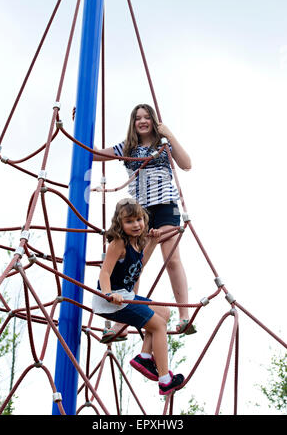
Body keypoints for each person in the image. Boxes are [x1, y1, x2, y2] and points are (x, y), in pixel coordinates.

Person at [93, 103, 195, 336]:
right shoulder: (126, 147)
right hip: (141, 213)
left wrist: (169, 134)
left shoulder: (163, 144)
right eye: (138, 117)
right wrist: (81, 126)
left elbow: (187, 165)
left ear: (153, 120)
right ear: (133, 122)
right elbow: (94, 155)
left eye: (147, 117)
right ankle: (122, 321)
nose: (142, 121)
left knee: (171, 259)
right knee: (134, 264)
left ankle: (183, 316)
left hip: (166, 206)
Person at [92, 198, 184, 395]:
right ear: (120, 223)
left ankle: (144, 356)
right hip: (111, 300)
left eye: (139, 219)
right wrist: (108, 294)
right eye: (129, 221)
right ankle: (164, 379)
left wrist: (153, 242)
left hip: (125, 295)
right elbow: (105, 272)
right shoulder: (118, 243)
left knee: (164, 313)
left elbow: (140, 266)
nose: (136, 225)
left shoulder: (136, 243)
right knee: (158, 325)